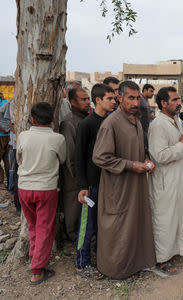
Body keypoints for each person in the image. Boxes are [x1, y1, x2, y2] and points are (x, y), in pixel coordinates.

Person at [93, 80, 156, 280]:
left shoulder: (135, 120)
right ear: (119, 98)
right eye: (131, 98)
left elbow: (137, 149)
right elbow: (100, 157)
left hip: (135, 185)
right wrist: (131, 165)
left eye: (138, 98)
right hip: (118, 187)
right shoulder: (111, 123)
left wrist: (145, 160)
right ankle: (116, 269)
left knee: (134, 224)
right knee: (118, 228)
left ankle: (134, 265)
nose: (136, 102)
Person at [17, 102, 66, 285]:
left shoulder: (23, 135)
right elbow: (62, 159)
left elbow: (19, 158)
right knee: (44, 228)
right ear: (53, 119)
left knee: (32, 226)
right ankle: (37, 270)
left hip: (24, 187)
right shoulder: (58, 138)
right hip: (46, 188)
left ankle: (34, 259)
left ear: (32, 119)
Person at [148, 87, 183, 275]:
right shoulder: (158, 125)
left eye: (179, 99)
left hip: (179, 179)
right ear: (163, 103)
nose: (178, 103)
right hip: (165, 182)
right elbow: (159, 155)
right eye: (174, 100)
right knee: (164, 220)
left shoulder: (175, 120)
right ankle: (161, 260)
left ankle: (174, 252)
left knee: (177, 217)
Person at [74, 84, 116, 280]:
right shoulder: (86, 124)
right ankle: (82, 264)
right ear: (98, 100)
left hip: (107, 183)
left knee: (103, 225)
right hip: (91, 185)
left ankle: (101, 259)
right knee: (87, 225)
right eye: (110, 98)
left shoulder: (110, 122)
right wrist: (83, 186)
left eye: (114, 98)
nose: (113, 102)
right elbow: (79, 157)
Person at [59, 87, 90, 241]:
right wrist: (77, 177)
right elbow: (70, 154)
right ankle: (72, 236)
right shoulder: (68, 123)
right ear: (72, 102)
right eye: (83, 99)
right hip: (73, 175)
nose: (87, 102)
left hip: (85, 172)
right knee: (72, 205)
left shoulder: (85, 118)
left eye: (88, 98)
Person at [0, 99, 20, 211]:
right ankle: (17, 201)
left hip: (17, 143)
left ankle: (18, 202)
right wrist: (9, 128)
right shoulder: (14, 101)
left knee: (16, 172)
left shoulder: (11, 101)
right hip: (17, 143)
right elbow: (0, 116)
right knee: (16, 172)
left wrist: (8, 128)